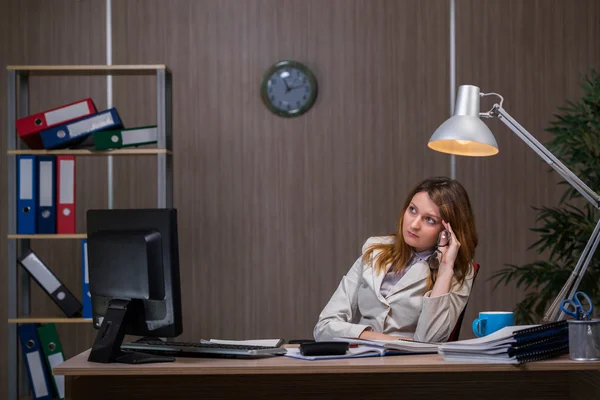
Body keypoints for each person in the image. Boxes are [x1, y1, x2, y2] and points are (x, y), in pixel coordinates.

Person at [313, 176, 478, 343]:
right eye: (412, 210)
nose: (414, 224)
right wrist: (381, 339)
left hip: (409, 367)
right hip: (360, 361)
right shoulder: (374, 250)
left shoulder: (457, 271)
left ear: (448, 231)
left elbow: (430, 342)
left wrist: (445, 270)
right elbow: (324, 327)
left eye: (429, 219)